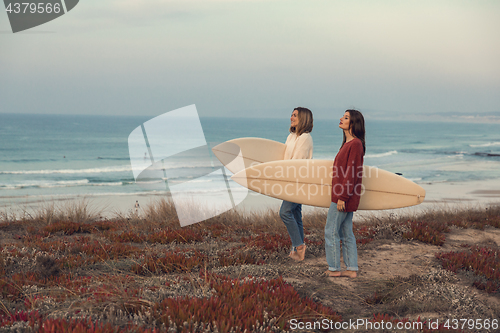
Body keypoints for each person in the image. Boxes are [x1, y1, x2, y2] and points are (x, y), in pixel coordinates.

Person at [324, 109, 365, 278]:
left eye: (346, 117)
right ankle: (351, 268)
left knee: (331, 231)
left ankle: (334, 269)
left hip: (343, 196)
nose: (341, 118)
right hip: (345, 195)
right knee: (346, 231)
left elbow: (351, 173)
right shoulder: (349, 144)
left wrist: (342, 197)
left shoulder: (355, 144)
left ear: (353, 123)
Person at [280, 107, 313, 261]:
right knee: (295, 214)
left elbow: (297, 162)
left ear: (303, 119)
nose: (291, 117)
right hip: (290, 180)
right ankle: (298, 249)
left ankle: (299, 246)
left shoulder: (305, 138)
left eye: (295, 115)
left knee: (285, 212)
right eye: (291, 115)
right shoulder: (291, 136)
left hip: (298, 181)